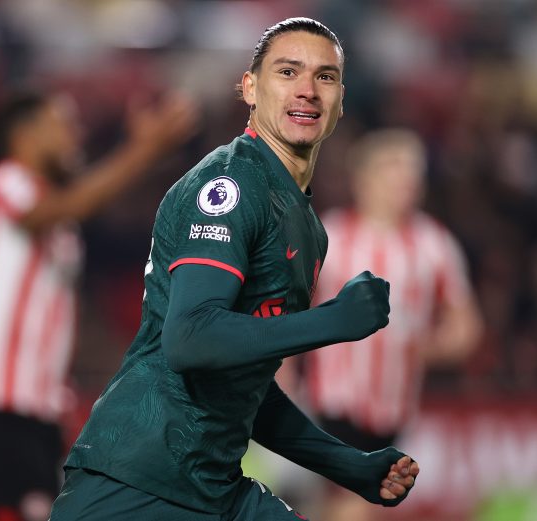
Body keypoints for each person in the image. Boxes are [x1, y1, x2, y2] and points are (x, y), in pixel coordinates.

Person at [50, 18, 419, 521]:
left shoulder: (307, 227)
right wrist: (334, 321)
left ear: (340, 99)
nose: (308, 90)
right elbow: (192, 339)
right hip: (138, 484)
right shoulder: (229, 184)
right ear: (249, 88)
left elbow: (242, 380)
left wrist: (347, 465)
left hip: (215, 486)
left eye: (325, 77)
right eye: (288, 72)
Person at [0, 89, 197, 521]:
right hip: (0, 397)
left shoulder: (60, 217)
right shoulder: (2, 182)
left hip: (43, 400)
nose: (75, 135)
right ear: (26, 134)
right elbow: (77, 201)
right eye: (62, 124)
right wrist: (143, 149)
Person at [302, 129, 483, 520]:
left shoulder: (433, 243)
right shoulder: (331, 235)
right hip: (332, 400)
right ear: (364, 178)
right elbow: (291, 309)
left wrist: (428, 347)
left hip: (396, 407)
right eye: (394, 168)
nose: (406, 180)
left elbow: (467, 328)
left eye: (412, 171)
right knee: (354, 502)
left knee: (351, 504)